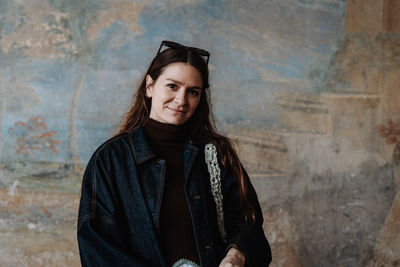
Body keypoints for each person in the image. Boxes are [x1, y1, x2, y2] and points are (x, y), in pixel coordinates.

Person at [77, 40, 272, 267]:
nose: (181, 100)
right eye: (172, 86)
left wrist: (235, 255)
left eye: (193, 92)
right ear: (149, 86)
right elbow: (98, 249)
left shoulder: (217, 156)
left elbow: (249, 226)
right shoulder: (110, 160)